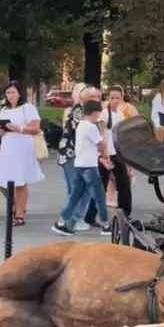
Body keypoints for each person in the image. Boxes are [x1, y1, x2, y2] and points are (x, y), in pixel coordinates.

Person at [51, 100, 113, 236]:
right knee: (99, 195)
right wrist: (104, 151)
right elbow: (101, 144)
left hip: (79, 164)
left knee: (75, 196)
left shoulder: (80, 126)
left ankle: (61, 222)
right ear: (96, 113)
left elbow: (86, 148)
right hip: (89, 167)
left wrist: (100, 158)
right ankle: (106, 224)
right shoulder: (91, 127)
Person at [0, 81, 45, 226]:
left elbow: (35, 128)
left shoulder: (27, 108)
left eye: (13, 92)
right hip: (7, 147)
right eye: (8, 93)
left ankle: (19, 214)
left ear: (19, 93)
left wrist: (18, 128)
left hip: (22, 147)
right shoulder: (5, 110)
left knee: (19, 182)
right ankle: (16, 205)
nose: (10, 95)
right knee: (1, 180)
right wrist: (2, 131)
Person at [57, 84, 102, 231]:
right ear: (82, 98)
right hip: (72, 155)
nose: (95, 100)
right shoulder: (79, 110)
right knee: (77, 189)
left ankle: (74, 219)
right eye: (91, 97)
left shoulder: (90, 112)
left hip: (81, 156)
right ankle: (70, 220)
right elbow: (81, 136)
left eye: (97, 97)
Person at [99, 86, 133, 216]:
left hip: (118, 152)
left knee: (124, 182)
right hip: (107, 153)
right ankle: (95, 212)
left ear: (121, 98)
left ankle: (125, 209)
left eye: (117, 98)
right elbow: (101, 134)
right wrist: (103, 152)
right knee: (102, 184)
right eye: (112, 97)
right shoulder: (104, 114)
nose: (114, 100)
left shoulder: (120, 113)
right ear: (108, 98)